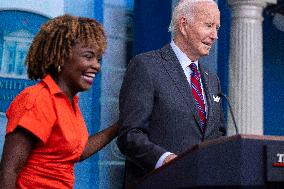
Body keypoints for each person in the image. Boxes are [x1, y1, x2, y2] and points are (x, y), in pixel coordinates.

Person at [0, 14, 119, 189]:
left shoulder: (69, 102)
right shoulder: (38, 99)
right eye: (88, 56)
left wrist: (120, 126)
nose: (97, 65)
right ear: (61, 57)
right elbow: (8, 172)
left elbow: (76, 151)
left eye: (98, 59)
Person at [117, 0, 226, 187]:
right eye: (209, 26)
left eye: (217, 27)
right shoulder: (146, 66)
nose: (215, 35)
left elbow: (218, 135)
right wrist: (166, 160)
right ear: (184, 25)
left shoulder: (211, 79)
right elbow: (130, 135)